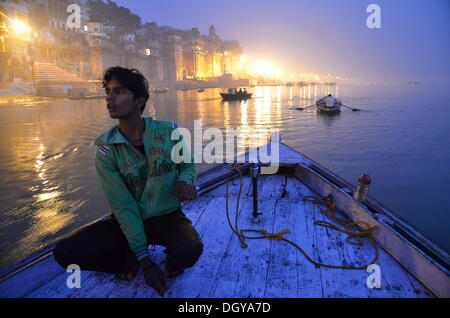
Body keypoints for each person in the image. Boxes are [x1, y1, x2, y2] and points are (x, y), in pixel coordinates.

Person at [53, 66, 203, 297]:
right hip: (128, 219)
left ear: (139, 101)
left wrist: (184, 180)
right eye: (108, 92)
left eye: (119, 92)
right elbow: (123, 207)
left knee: (190, 250)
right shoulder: (106, 151)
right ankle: (128, 259)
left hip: (168, 215)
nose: (110, 98)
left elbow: (187, 165)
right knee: (64, 252)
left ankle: (171, 260)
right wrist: (145, 263)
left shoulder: (170, 131)